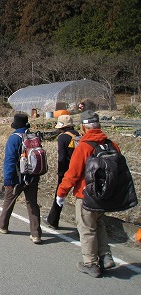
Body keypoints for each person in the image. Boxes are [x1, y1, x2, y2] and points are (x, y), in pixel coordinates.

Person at [56, 110, 117, 278]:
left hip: (86, 195)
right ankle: (105, 256)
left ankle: (91, 263)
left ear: (83, 127)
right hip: (105, 195)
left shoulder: (84, 145)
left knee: (87, 228)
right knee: (99, 224)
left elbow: (73, 173)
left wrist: (61, 193)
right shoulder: (110, 144)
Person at [0, 113, 42, 244]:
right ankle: (36, 233)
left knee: (9, 201)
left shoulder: (14, 138)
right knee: (32, 204)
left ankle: (2, 225)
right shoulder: (33, 136)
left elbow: (9, 160)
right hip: (33, 176)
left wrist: (8, 180)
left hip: (17, 177)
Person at [45, 114, 79, 229]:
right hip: (80, 170)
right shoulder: (79, 135)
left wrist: (61, 173)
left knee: (59, 195)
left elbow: (62, 157)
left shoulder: (62, 137)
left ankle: (53, 220)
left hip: (67, 170)